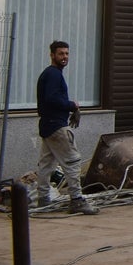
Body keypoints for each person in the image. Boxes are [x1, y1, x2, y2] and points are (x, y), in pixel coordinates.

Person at [36, 40, 98, 215]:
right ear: (52, 55)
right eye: (61, 54)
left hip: (48, 126)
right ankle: (77, 200)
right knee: (72, 162)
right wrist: (73, 105)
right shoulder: (54, 75)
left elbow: (50, 99)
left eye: (67, 54)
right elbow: (52, 99)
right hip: (57, 126)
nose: (64, 57)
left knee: (46, 165)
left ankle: (43, 201)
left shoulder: (50, 74)